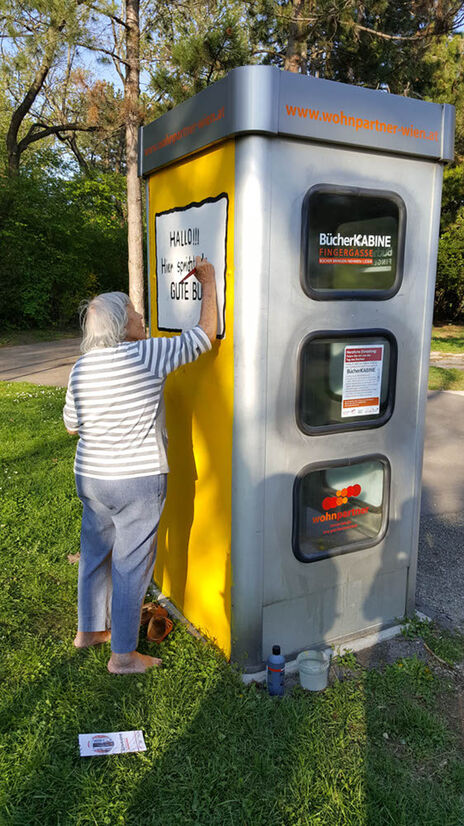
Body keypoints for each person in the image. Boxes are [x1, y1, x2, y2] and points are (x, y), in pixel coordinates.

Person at [63, 256, 217, 674]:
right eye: (133, 312)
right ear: (119, 326)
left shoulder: (79, 370)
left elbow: (72, 427)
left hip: (92, 480)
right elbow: (204, 335)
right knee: (132, 564)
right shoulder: (147, 355)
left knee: (97, 553)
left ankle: (91, 631)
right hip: (137, 481)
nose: (140, 316)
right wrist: (208, 280)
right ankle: (125, 655)